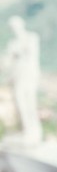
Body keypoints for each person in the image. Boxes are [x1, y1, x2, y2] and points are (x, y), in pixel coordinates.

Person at [3, 16, 42, 144]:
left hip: (29, 75)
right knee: (20, 102)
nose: (14, 29)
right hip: (17, 76)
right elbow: (8, 62)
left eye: (16, 25)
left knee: (30, 102)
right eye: (12, 27)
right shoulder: (13, 43)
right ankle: (26, 129)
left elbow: (33, 57)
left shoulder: (32, 38)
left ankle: (34, 131)